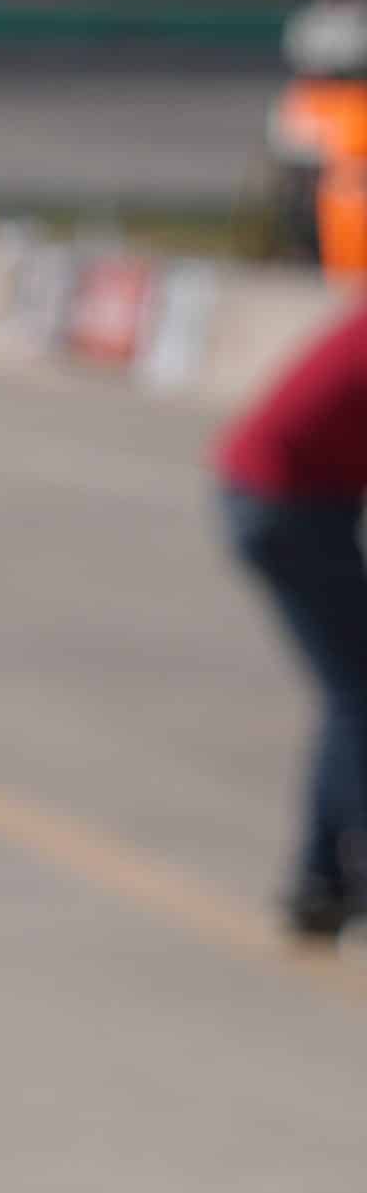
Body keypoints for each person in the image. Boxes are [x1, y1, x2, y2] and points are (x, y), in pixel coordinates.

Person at [217, 289, 367, 940]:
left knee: (351, 690)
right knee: (359, 693)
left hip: (284, 496)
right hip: (288, 505)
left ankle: (320, 886)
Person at [267, 0, 367, 279]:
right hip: (316, 108)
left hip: (351, 111)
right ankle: (304, 249)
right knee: (303, 190)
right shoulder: (309, 24)